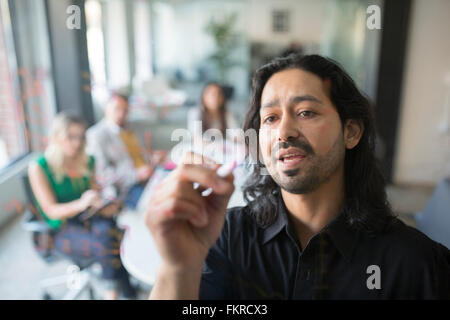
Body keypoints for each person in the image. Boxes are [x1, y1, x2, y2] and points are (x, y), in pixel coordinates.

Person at [145, 54, 450, 299]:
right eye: (270, 118)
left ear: (351, 131)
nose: (284, 132)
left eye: (306, 112)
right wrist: (178, 268)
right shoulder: (225, 236)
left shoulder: (414, 264)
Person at [28, 113, 136, 300]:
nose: (77, 143)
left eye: (80, 137)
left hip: (87, 218)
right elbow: (51, 210)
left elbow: (94, 194)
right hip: (58, 229)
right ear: (57, 137)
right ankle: (118, 293)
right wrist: (81, 203)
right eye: (70, 137)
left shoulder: (87, 161)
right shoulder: (39, 167)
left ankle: (120, 292)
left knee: (113, 231)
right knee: (109, 242)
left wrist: (104, 203)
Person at [86, 91, 166, 209]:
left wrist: (154, 158)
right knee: (162, 203)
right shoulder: (97, 135)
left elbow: (146, 153)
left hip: (152, 176)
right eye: (117, 109)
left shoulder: (136, 128)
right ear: (106, 109)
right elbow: (102, 173)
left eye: (125, 110)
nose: (121, 114)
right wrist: (136, 175)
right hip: (127, 187)